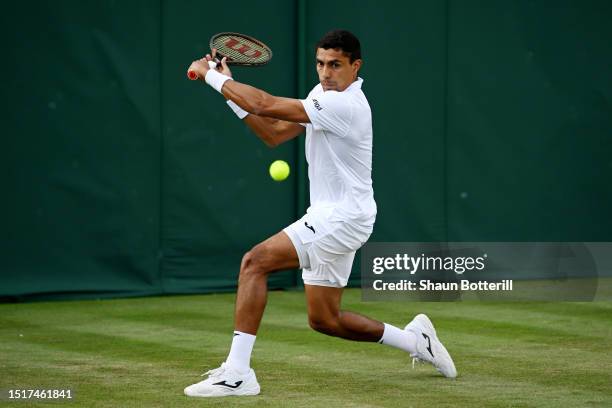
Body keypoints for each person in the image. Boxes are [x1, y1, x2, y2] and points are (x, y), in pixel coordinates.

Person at [183, 30, 456, 398]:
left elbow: (263, 102)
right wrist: (229, 91)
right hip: (338, 216)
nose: (326, 72)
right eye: (320, 63)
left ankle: (237, 373)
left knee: (255, 262)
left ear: (355, 66)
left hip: (342, 217)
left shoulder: (347, 105)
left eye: (335, 65)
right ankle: (414, 340)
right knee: (325, 320)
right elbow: (274, 133)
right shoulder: (321, 95)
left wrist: (214, 77)